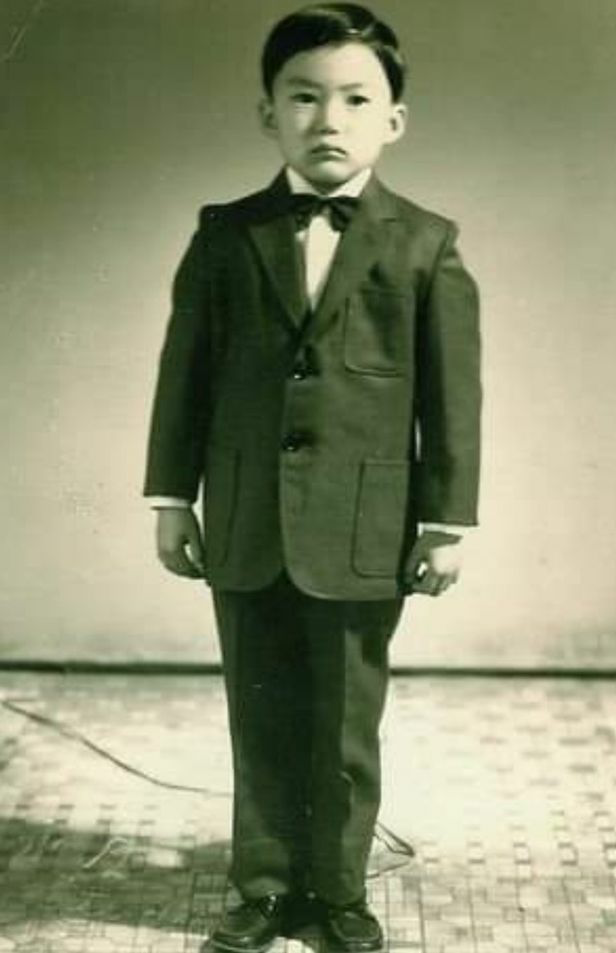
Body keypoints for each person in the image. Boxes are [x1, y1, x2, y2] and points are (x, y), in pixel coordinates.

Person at [144, 4, 481, 951]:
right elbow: (184, 376)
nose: (328, 119)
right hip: (246, 515)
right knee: (256, 709)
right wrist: (170, 499)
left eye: (355, 100)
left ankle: (337, 892)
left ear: (393, 119)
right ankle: (262, 887)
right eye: (303, 97)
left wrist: (447, 522)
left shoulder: (426, 243)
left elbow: (453, 397)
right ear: (268, 114)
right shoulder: (225, 235)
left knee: (344, 721)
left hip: (365, 524)